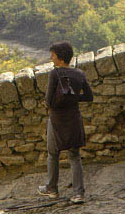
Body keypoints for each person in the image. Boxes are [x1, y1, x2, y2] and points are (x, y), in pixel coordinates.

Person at [38, 41, 93, 203]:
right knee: (74, 156)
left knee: (53, 154)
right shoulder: (80, 74)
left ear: (60, 58)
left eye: (53, 55)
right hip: (74, 118)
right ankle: (78, 193)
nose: (51, 58)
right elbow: (89, 96)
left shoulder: (55, 74)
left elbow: (48, 101)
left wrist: (51, 104)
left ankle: (52, 188)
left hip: (57, 120)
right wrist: (74, 98)